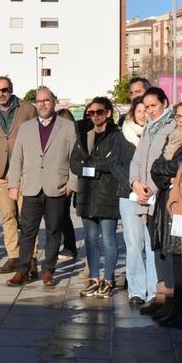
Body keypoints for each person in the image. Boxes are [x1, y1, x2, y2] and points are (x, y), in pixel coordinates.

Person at [5, 88, 77, 287]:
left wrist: (72, 184)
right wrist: (13, 184)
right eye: (39, 101)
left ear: (54, 102)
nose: (43, 104)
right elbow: (17, 158)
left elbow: (74, 159)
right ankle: (23, 270)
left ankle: (48, 270)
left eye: (47, 100)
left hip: (58, 187)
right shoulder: (26, 128)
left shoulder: (68, 127)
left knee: (54, 231)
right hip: (31, 188)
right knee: (27, 231)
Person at [148, 100, 182, 327]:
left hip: (181, 204)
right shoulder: (171, 138)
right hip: (164, 201)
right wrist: (166, 174)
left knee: (181, 256)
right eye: (177, 116)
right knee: (168, 253)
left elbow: (176, 167)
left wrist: (168, 173)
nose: (180, 120)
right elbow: (156, 168)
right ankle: (174, 303)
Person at [129, 87, 175, 313]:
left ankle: (165, 296)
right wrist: (136, 183)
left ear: (165, 103)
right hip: (144, 195)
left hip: (160, 196)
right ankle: (158, 295)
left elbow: (168, 163)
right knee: (152, 246)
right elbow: (137, 160)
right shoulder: (149, 128)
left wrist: (151, 189)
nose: (149, 111)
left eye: (153, 106)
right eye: (146, 107)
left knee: (161, 247)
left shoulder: (172, 126)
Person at [0, 76, 37, 274]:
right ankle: (14, 256)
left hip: (24, 170)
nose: (1, 94)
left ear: (11, 89)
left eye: (4, 90)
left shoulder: (27, 109)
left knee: (28, 216)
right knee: (7, 216)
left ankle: (31, 257)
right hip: (0, 172)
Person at [70, 97, 122, 298]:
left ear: (108, 112)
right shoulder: (83, 134)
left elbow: (113, 163)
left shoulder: (116, 135)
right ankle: (94, 279)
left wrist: (88, 164)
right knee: (90, 240)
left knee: (108, 238)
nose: (94, 116)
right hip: (86, 193)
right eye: (90, 113)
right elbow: (75, 164)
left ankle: (108, 280)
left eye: (98, 112)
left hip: (107, 193)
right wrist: (95, 165)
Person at [114, 96, 150, 304]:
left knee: (152, 244)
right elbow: (114, 163)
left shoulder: (155, 134)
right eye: (139, 111)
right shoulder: (123, 135)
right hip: (129, 195)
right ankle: (136, 289)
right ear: (132, 113)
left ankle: (153, 290)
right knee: (134, 243)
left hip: (152, 195)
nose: (143, 114)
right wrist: (132, 183)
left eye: (146, 110)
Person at [57, 107, 81, 261]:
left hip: (68, 181)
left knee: (63, 216)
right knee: (62, 216)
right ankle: (69, 246)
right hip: (62, 180)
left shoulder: (73, 137)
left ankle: (70, 247)